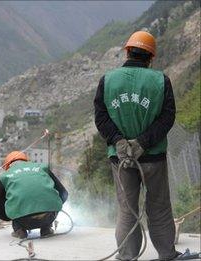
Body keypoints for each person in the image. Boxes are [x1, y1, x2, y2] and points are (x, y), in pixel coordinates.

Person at [94, 31, 179, 260]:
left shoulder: (108, 80)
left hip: (120, 160)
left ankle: (127, 256)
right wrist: (143, 143)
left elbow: (101, 117)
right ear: (151, 57)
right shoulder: (161, 81)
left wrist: (119, 141)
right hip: (153, 158)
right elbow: (167, 117)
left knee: (126, 211)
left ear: (128, 51)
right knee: (159, 209)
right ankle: (167, 254)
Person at [0, 148, 68, 239]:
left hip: (23, 220)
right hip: (48, 217)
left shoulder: (5, 177)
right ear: (27, 161)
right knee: (48, 207)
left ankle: (20, 230)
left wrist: (12, 216)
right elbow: (63, 193)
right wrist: (53, 206)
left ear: (7, 166)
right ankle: (46, 228)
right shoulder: (42, 168)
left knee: (14, 207)